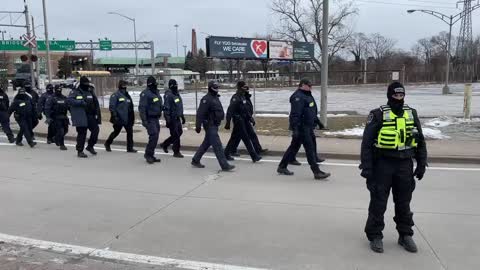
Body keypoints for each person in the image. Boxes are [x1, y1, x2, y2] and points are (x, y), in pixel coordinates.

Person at [360, 82, 427, 254]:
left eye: (401, 95)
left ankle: (405, 235)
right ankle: (375, 235)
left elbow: (420, 140)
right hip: (383, 164)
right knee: (378, 202)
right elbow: (367, 144)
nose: (399, 98)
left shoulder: (411, 113)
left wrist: (421, 163)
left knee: (404, 202)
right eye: (395, 95)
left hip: (405, 164)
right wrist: (367, 167)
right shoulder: (378, 114)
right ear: (389, 95)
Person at [277, 79, 330, 180]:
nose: (311, 87)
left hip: (308, 126)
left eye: (311, 85)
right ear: (302, 85)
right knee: (309, 149)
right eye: (309, 85)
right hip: (301, 127)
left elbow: (311, 111)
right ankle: (317, 172)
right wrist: (295, 129)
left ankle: (282, 166)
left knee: (293, 147)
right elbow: (295, 115)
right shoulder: (298, 97)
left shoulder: (307, 95)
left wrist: (319, 123)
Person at [191, 81, 234, 171]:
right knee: (217, 145)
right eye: (215, 87)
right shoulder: (206, 99)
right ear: (210, 88)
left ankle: (195, 159)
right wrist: (198, 125)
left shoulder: (215, 98)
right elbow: (200, 113)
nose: (217, 89)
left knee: (206, 143)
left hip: (215, 124)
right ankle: (224, 165)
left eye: (217, 87)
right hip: (209, 125)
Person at [224, 81, 262, 162]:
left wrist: (250, 118)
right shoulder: (235, 98)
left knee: (234, 138)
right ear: (240, 88)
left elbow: (245, 109)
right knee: (246, 138)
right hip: (238, 121)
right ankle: (254, 156)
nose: (246, 88)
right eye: (244, 87)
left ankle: (226, 153)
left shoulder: (243, 97)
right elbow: (230, 111)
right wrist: (228, 122)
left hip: (245, 120)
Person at [68, 76, 102, 158]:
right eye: (85, 84)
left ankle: (90, 146)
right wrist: (80, 102)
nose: (86, 85)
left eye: (87, 84)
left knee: (95, 130)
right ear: (81, 84)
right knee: (82, 133)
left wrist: (97, 113)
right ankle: (80, 151)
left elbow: (95, 102)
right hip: (81, 115)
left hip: (90, 115)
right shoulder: (75, 92)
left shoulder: (90, 91)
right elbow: (69, 100)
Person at [104, 80, 137, 153]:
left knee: (130, 132)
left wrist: (132, 117)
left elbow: (130, 106)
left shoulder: (127, 95)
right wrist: (114, 116)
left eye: (125, 85)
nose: (125, 86)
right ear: (120, 86)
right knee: (116, 132)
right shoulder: (115, 95)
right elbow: (112, 106)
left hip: (128, 118)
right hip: (119, 118)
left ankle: (130, 148)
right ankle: (107, 143)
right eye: (123, 85)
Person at [139, 76, 163, 164]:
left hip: (156, 118)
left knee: (155, 137)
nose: (155, 84)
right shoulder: (145, 94)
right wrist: (144, 120)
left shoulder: (156, 92)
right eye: (154, 83)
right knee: (154, 135)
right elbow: (142, 108)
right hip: (149, 118)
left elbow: (159, 103)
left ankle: (151, 154)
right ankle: (148, 155)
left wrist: (160, 111)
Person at [160, 79, 185, 158]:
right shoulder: (169, 95)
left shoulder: (177, 94)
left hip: (177, 118)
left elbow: (179, 106)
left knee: (179, 132)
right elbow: (166, 109)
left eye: (176, 85)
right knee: (176, 135)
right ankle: (176, 151)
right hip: (172, 118)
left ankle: (165, 144)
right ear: (170, 86)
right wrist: (168, 120)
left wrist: (182, 116)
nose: (176, 86)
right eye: (174, 85)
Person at [45, 85, 69, 150]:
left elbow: (68, 106)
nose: (59, 91)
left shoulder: (64, 97)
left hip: (64, 117)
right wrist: (48, 117)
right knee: (60, 131)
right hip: (56, 117)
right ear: (55, 90)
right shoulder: (51, 98)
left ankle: (55, 138)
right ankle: (62, 145)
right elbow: (47, 108)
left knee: (66, 130)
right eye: (58, 89)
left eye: (60, 89)